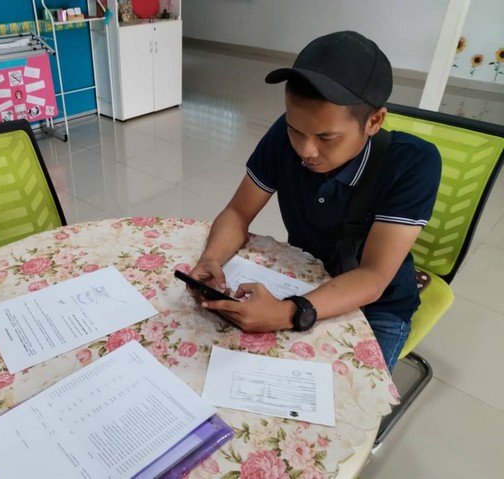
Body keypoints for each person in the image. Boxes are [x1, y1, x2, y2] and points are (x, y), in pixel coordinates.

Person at [188, 31, 442, 372]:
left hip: (377, 306)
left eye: (326, 137)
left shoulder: (413, 163)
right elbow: (238, 211)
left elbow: (373, 276)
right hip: (302, 276)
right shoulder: (284, 135)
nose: (305, 150)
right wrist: (211, 258)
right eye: (296, 130)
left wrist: (289, 312)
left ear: (374, 121)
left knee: (337, 397)